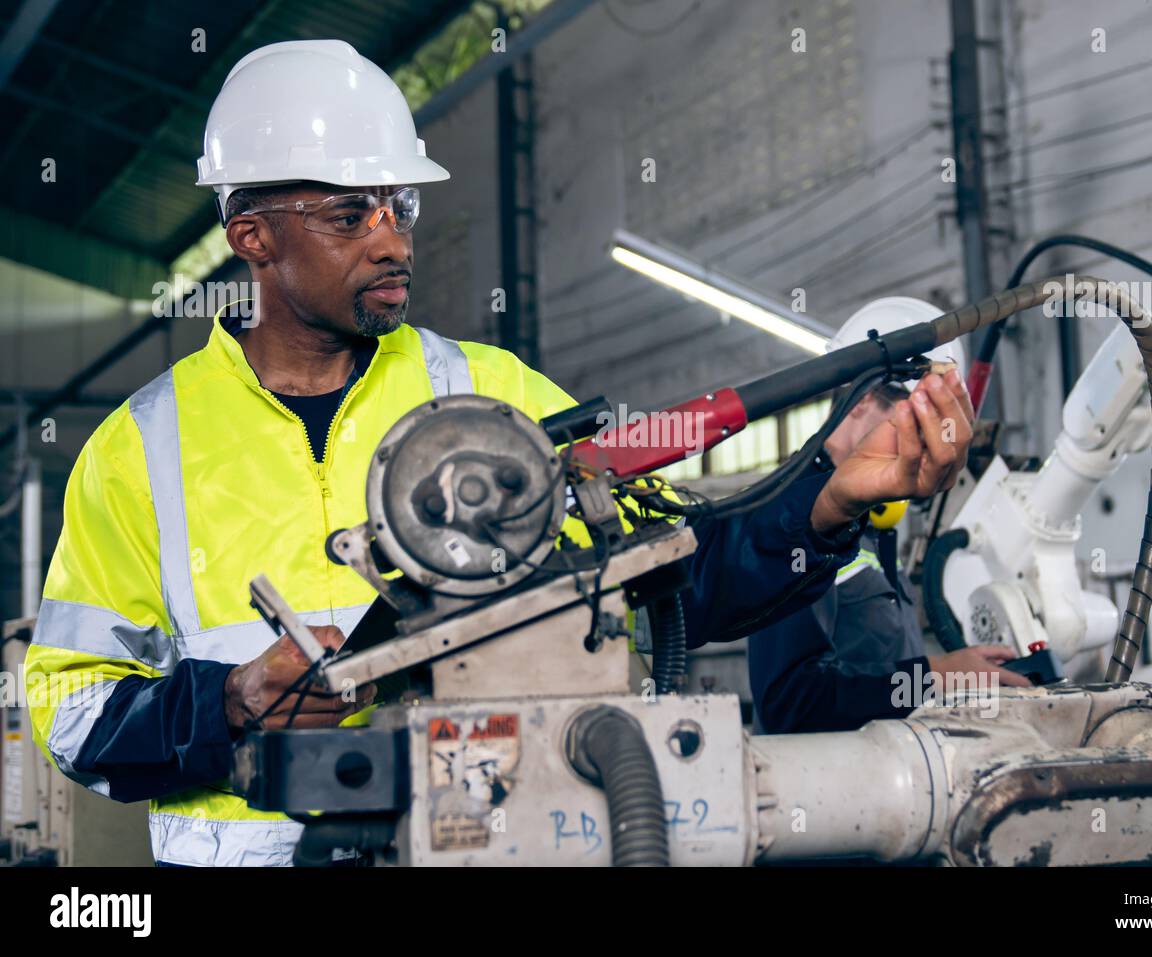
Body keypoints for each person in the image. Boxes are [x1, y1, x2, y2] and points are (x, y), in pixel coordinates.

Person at [24, 41, 974, 865]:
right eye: (352, 214)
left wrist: (828, 499)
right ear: (252, 235)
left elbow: (682, 570)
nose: (392, 239)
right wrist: (227, 700)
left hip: (480, 847)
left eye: (400, 206)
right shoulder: (138, 450)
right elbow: (68, 713)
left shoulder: (485, 393)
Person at [749, 299, 1029, 734]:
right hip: (821, 790)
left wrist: (953, 674)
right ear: (861, 399)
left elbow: (879, 661)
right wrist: (935, 676)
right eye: (917, 418)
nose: (928, 440)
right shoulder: (791, 516)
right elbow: (790, 703)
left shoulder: (876, 517)